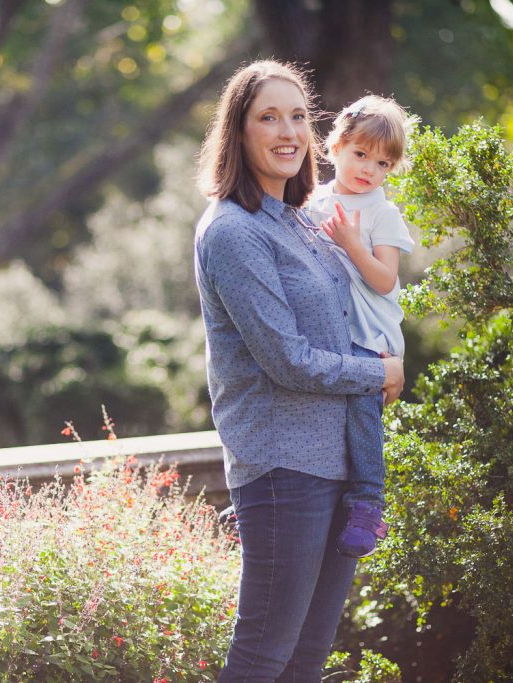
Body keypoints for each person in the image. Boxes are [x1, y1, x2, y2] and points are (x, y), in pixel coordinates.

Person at [193, 61, 405, 682]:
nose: (288, 131)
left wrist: (386, 355)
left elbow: (358, 310)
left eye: (296, 116)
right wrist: (378, 374)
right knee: (263, 658)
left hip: (340, 464)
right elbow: (285, 359)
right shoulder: (232, 231)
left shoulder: (303, 219)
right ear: (238, 132)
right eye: (268, 117)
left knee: (305, 661)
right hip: (285, 467)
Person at [304, 95, 418, 558]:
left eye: (384, 163)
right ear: (336, 147)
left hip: (370, 336)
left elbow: (385, 279)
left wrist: (353, 244)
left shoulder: (381, 214)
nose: (370, 169)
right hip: (328, 331)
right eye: (361, 155)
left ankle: (368, 502)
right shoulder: (313, 199)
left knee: (360, 412)